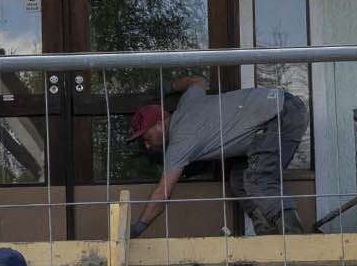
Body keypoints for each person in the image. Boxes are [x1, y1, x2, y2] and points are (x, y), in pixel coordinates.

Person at [125, 73, 310, 237]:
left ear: (160, 123)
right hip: (282, 109)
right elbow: (198, 81)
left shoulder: (180, 142)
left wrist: (139, 227)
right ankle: (269, 237)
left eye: (146, 138)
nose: (148, 146)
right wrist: (170, 87)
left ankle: (294, 239)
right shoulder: (189, 102)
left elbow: (163, 192)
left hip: (280, 114)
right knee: (239, 180)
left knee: (258, 179)